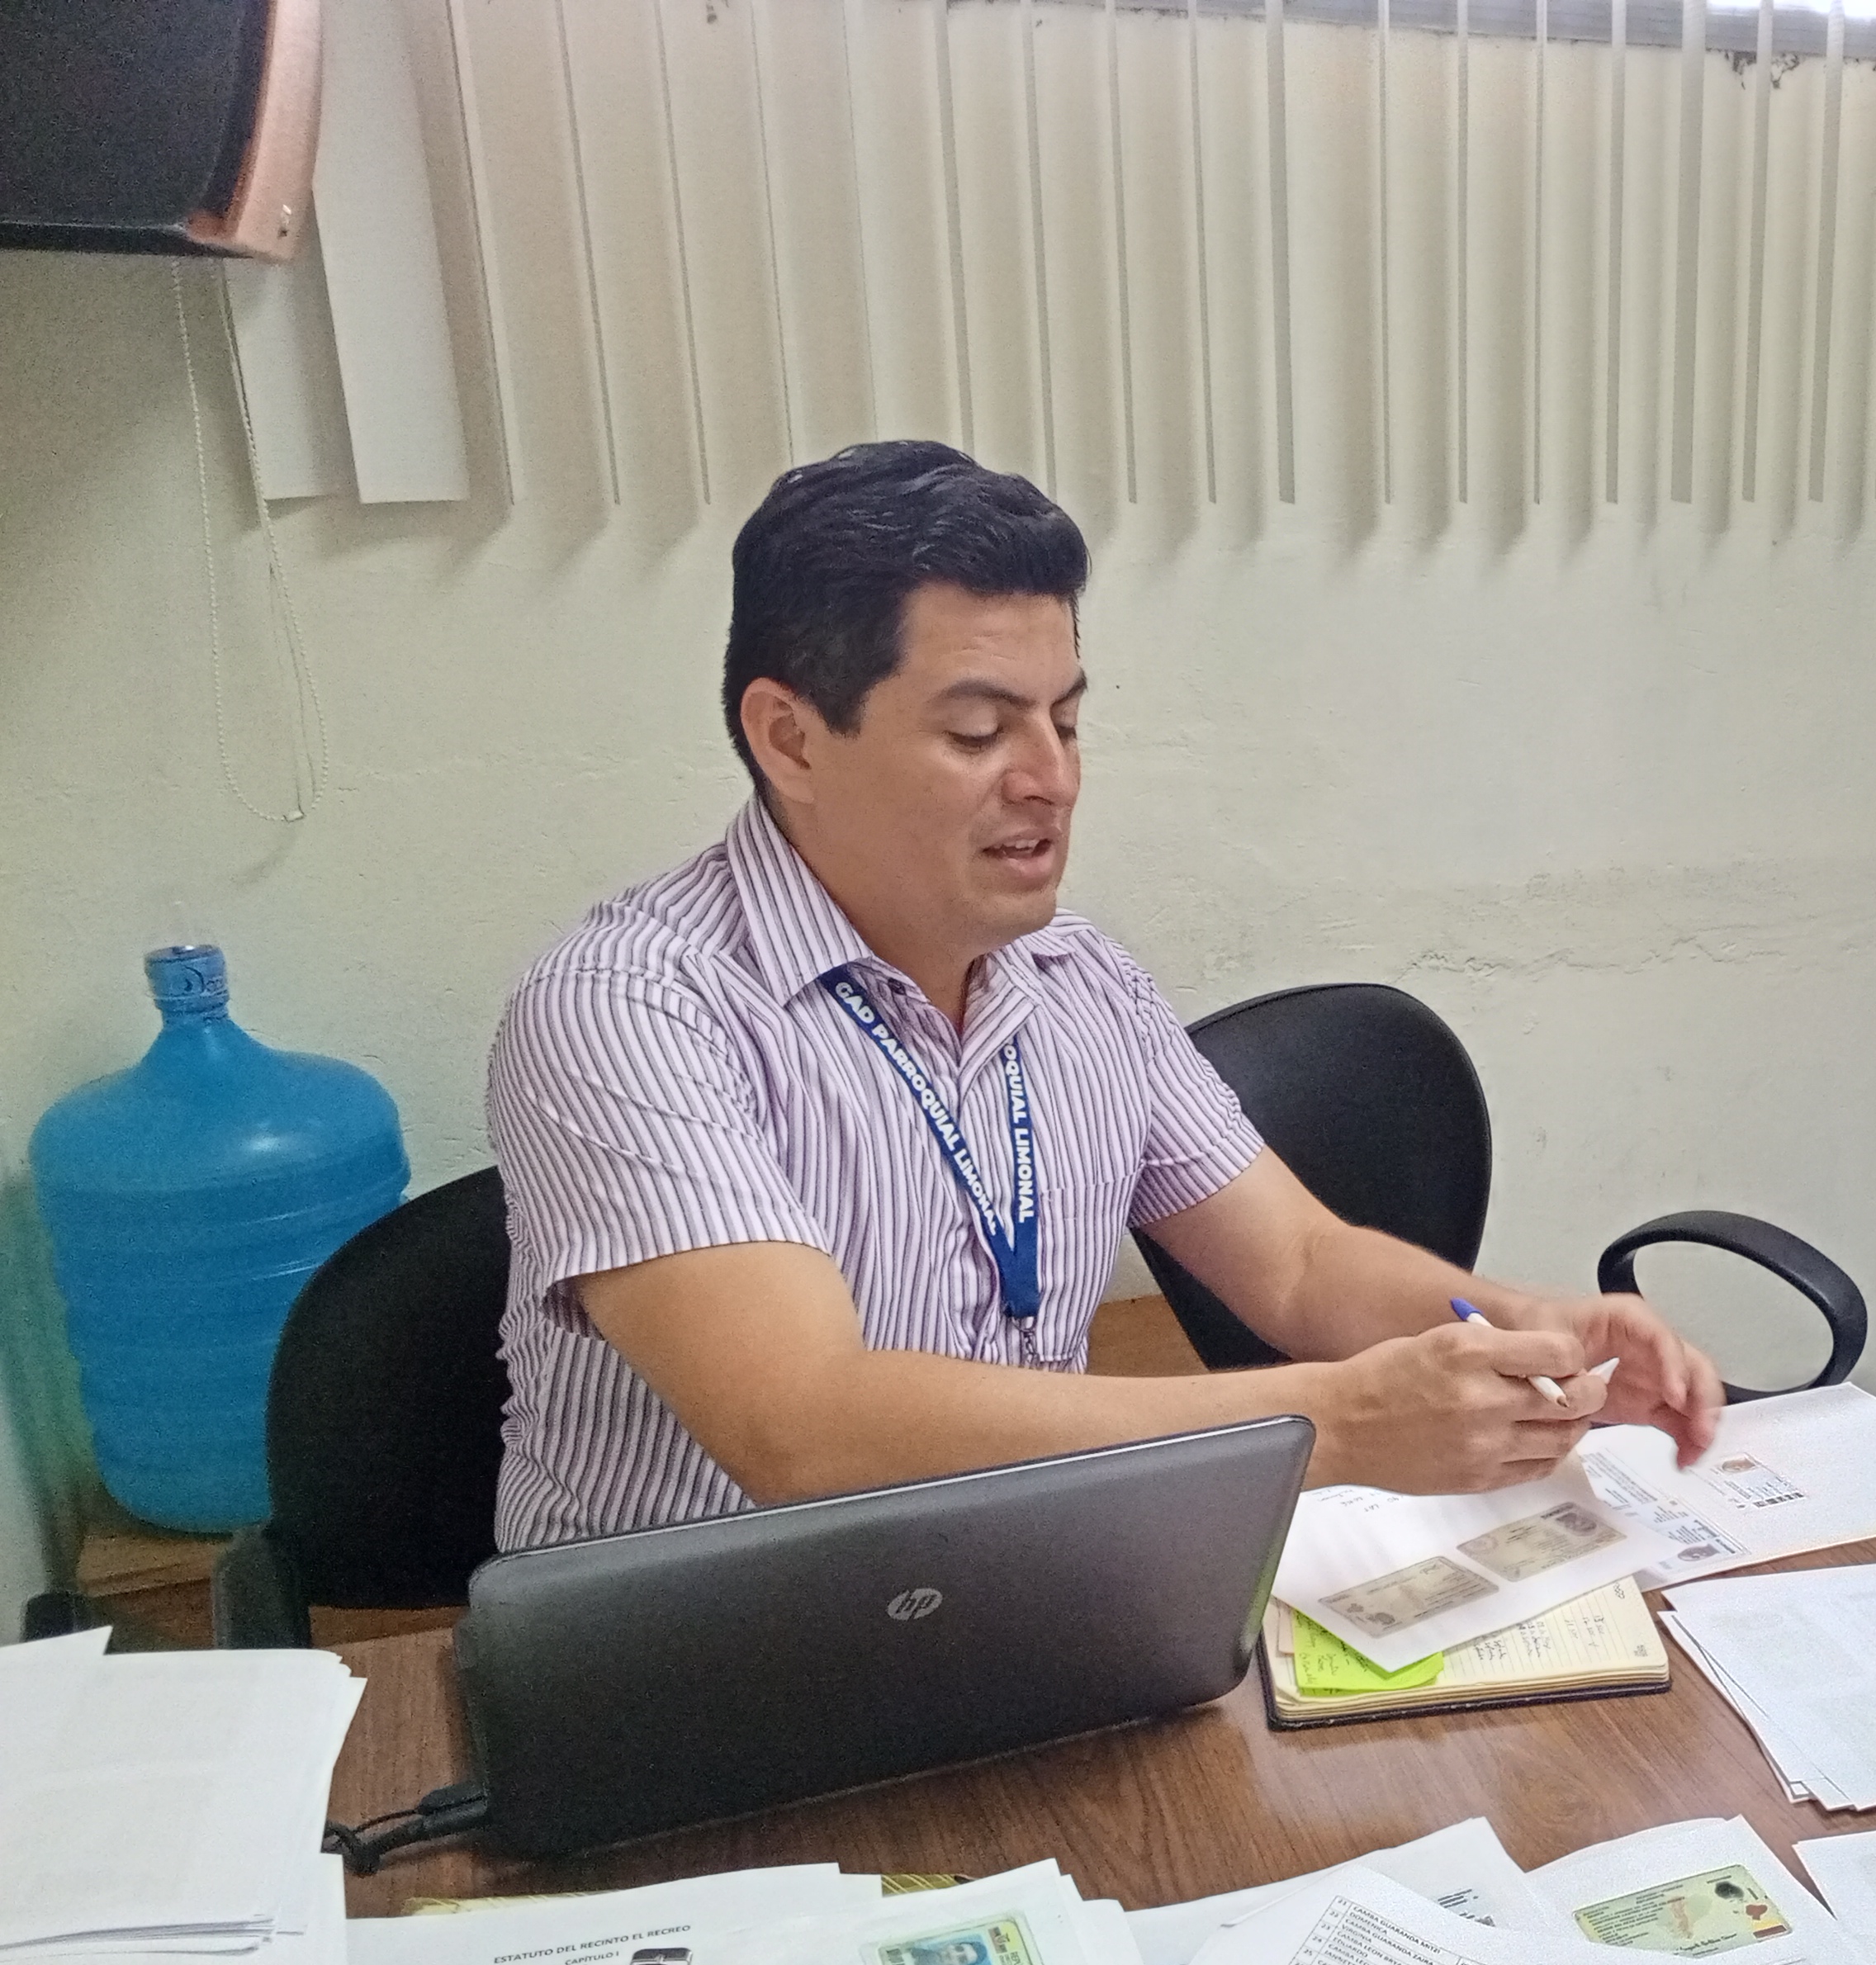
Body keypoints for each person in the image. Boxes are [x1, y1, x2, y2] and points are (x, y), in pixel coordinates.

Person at [487, 442, 1723, 1548]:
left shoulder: (1078, 980)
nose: (1051, 780)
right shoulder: (630, 1007)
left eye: (1067, 724)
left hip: (1039, 1596)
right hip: (713, 1662)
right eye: (980, 734)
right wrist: (1337, 1422)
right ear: (792, 739)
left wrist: (1533, 1328)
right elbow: (805, 1426)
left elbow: (1299, 1265)